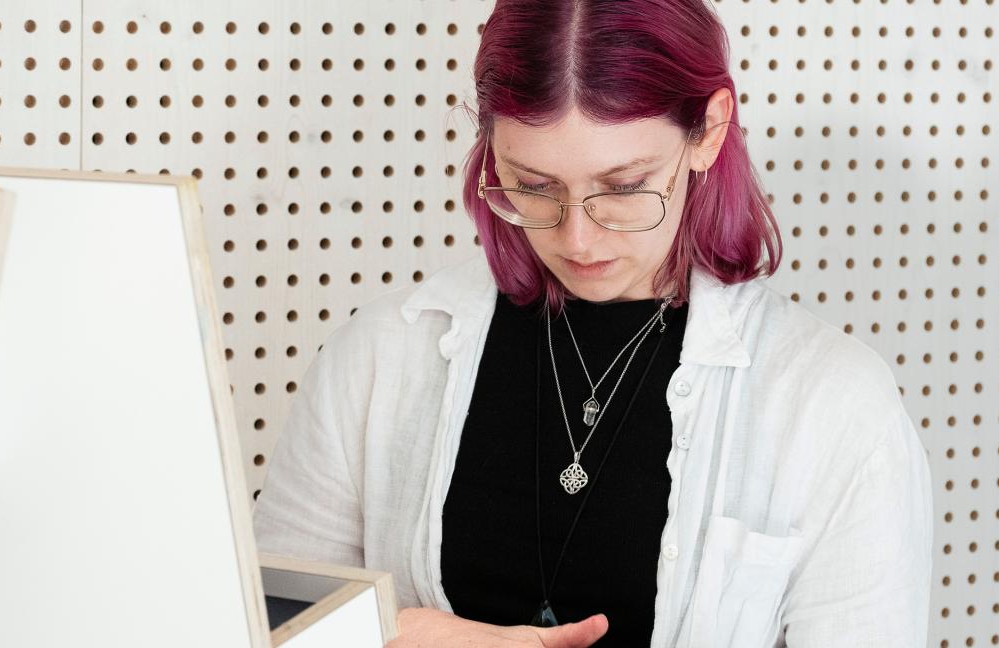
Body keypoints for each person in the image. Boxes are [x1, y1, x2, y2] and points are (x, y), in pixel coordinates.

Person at [252, 0, 934, 645]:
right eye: (534, 185)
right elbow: (264, 626)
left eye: (624, 186)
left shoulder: (832, 404)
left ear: (709, 131)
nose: (577, 239)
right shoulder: (380, 357)